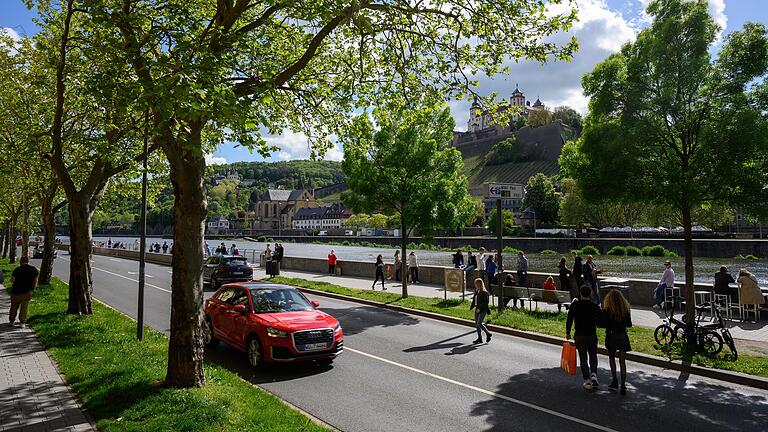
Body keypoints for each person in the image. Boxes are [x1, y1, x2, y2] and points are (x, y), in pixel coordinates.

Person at [566, 285, 602, 391]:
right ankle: (594, 374)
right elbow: (601, 321)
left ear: (580, 293)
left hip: (579, 335)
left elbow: (569, 319)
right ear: (590, 294)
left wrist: (568, 332)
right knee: (593, 355)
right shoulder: (594, 306)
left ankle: (587, 380)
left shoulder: (575, 305)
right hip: (591, 334)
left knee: (583, 358)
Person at [602, 289, 632, 395]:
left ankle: (614, 380)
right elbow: (629, 324)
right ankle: (623, 385)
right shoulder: (625, 309)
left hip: (611, 335)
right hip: (623, 335)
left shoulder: (607, 310)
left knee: (612, 358)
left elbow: (603, 323)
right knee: (622, 361)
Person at [8, 257, 39, 328]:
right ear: (28, 261)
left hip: (15, 292)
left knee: (13, 307)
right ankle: (22, 323)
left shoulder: (17, 269)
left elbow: (12, 280)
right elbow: (35, 281)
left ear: (20, 262)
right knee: (24, 308)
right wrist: (32, 290)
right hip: (26, 292)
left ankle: (12, 321)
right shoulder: (33, 270)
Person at [470, 278, 492, 344]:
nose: (475, 285)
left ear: (479, 284)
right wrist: (473, 306)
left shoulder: (484, 292)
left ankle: (488, 333)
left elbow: (485, 303)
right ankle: (479, 338)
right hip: (477, 308)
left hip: (483, 309)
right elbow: (475, 300)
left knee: (479, 323)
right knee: (477, 324)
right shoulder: (477, 291)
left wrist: (479, 308)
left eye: (476, 284)